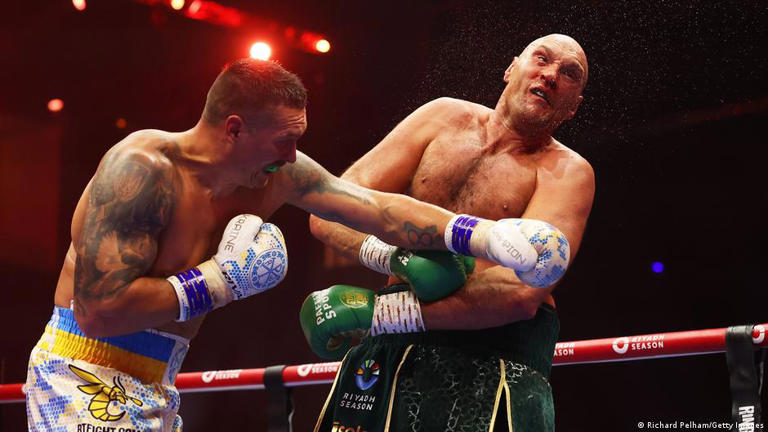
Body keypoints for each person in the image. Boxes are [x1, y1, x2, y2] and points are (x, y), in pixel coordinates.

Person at [24, 59, 560, 431]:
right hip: (83, 368)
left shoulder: (278, 173)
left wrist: (482, 234)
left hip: (161, 377)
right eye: (285, 139)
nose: (294, 154)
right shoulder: (143, 171)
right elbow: (96, 312)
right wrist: (220, 280)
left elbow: (375, 208)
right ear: (234, 129)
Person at [303, 34, 594, 431]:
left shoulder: (567, 172)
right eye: (541, 59)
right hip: (390, 348)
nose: (551, 74)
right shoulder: (441, 118)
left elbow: (520, 293)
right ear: (511, 68)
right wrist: (397, 258)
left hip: (494, 355)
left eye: (569, 73)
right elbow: (331, 208)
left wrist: (380, 313)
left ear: (573, 107)